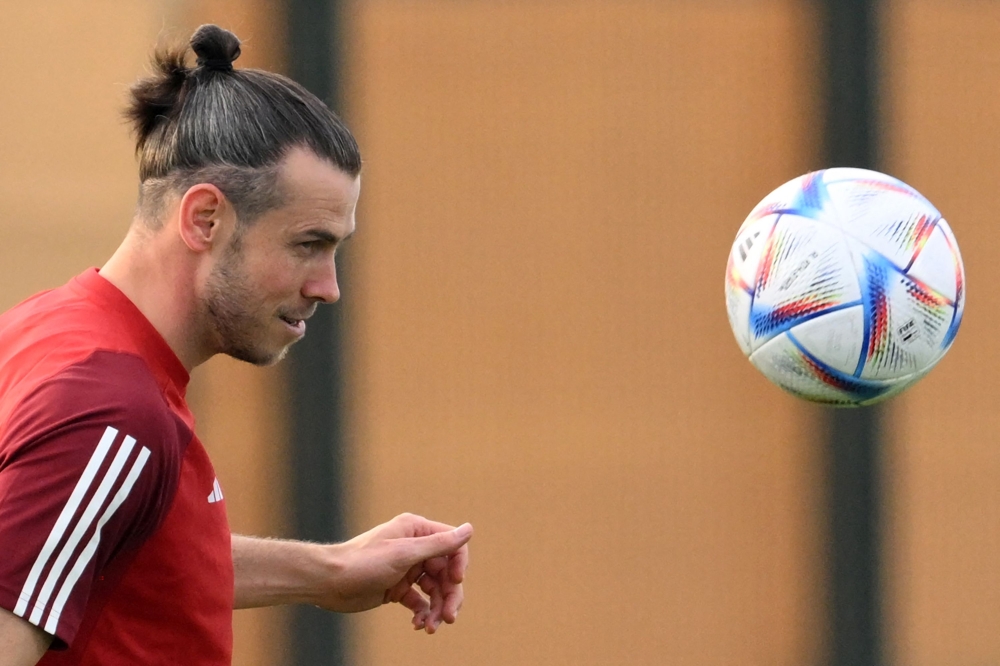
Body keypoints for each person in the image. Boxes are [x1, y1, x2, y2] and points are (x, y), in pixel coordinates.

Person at [0, 24, 472, 666]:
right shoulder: (115, 412)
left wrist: (328, 569)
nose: (329, 286)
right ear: (205, 219)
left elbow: (103, 549)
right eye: (309, 244)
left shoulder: (48, 330)